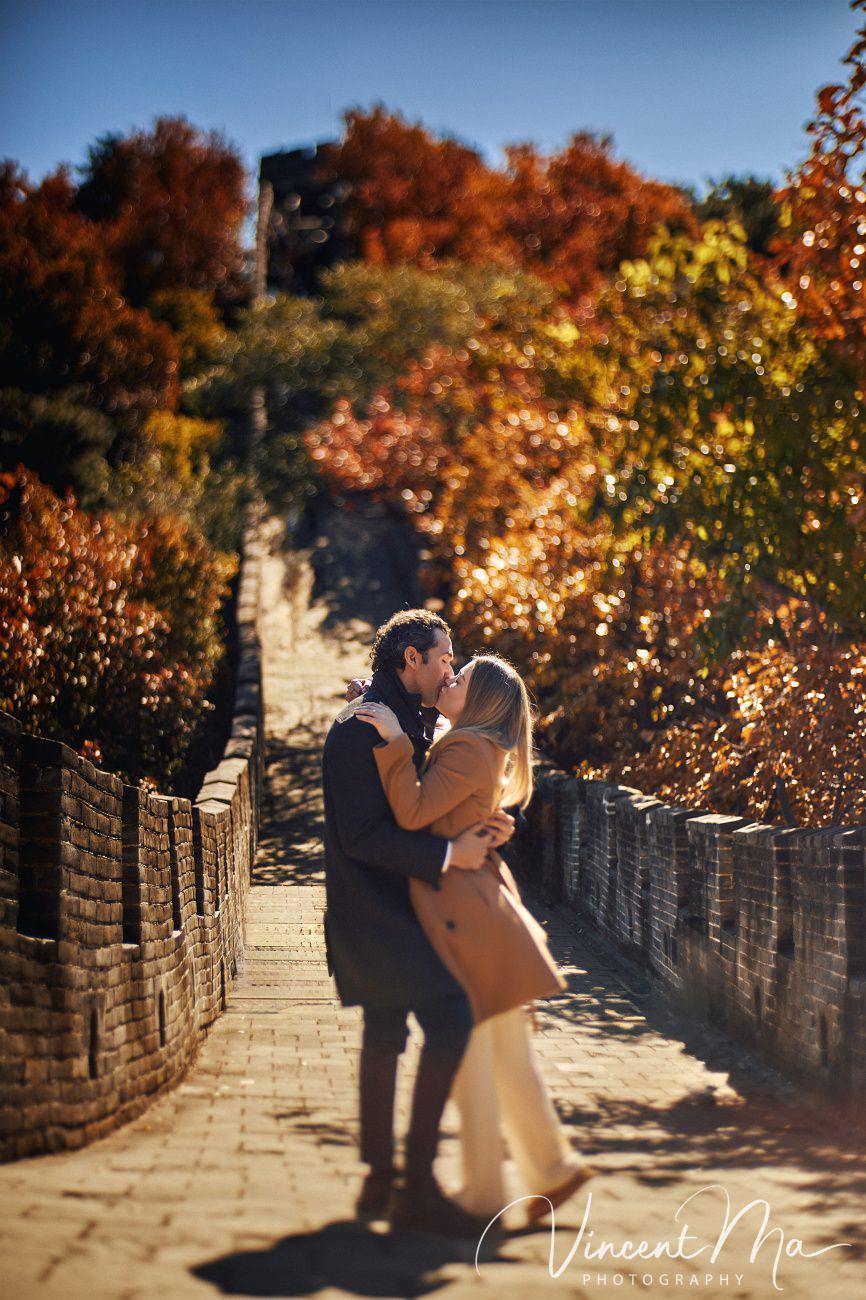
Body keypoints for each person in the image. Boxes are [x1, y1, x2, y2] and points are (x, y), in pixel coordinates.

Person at [354, 653, 597, 1228]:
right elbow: (448, 802)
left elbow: (412, 812)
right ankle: (551, 1169)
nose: (450, 677)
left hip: (467, 922)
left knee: (471, 1062)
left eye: (460, 678)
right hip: (486, 917)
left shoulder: (464, 749)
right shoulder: (475, 746)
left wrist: (391, 738)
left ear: (481, 699)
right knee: (507, 1057)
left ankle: (490, 1190)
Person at [320, 610, 515, 1238]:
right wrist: (445, 856)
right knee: (427, 1024)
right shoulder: (359, 731)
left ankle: (393, 1182)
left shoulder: (405, 718)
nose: (449, 667)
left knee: (403, 1030)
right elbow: (360, 836)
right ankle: (406, 1184)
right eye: (441, 657)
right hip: (375, 911)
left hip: (409, 909)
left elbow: (442, 786)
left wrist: (478, 822)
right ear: (410, 661)